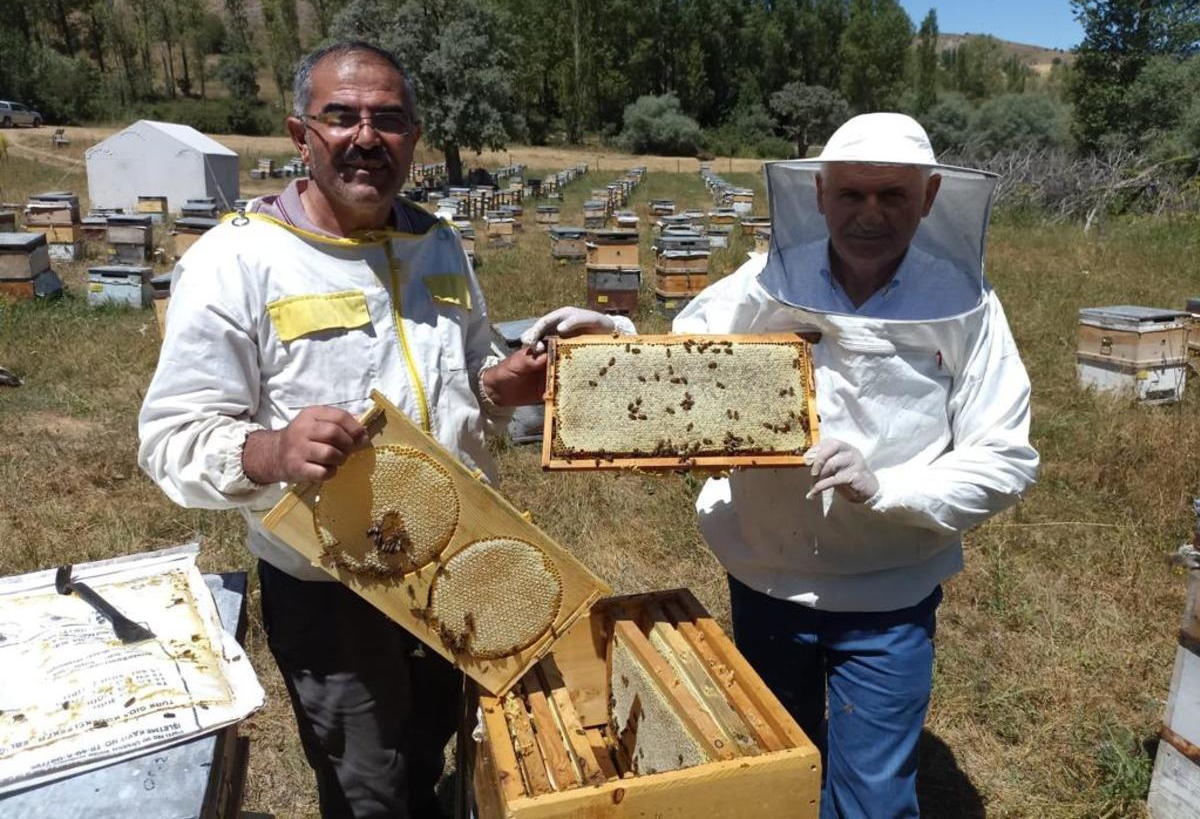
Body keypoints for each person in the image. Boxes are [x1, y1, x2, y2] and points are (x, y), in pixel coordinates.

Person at [138, 40, 630, 819]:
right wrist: (271, 450)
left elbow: (468, 380)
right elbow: (171, 439)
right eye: (342, 117)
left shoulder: (438, 242)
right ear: (301, 136)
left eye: (389, 120)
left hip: (459, 560)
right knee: (367, 789)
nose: (366, 137)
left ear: (413, 137)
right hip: (334, 591)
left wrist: (502, 385)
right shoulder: (235, 260)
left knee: (439, 748)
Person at [673, 113, 1039, 817]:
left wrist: (886, 487)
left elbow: (1005, 457)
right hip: (767, 575)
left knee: (873, 797)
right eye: (851, 194)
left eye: (893, 195)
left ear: (929, 197)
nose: (870, 213)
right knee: (775, 778)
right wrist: (612, 332)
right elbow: (679, 357)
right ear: (819, 194)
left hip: (886, 597)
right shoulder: (767, 280)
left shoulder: (964, 304)